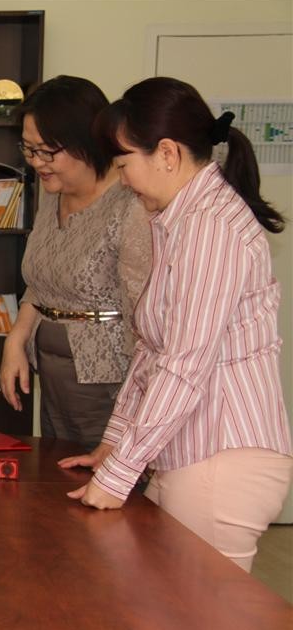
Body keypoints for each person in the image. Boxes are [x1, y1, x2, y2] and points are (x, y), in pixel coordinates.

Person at [60, 77, 292, 571]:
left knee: (205, 617)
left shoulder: (211, 228)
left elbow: (183, 364)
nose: (123, 180)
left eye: (124, 164)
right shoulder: (182, 220)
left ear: (167, 153)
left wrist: (118, 474)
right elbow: (153, 349)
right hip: (191, 454)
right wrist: (115, 444)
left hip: (220, 458)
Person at [0, 76, 152, 449]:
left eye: (46, 151)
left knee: (103, 475)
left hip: (109, 382)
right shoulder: (53, 192)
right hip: (52, 375)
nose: (36, 162)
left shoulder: (130, 205)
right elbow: (42, 280)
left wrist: (142, 404)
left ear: (86, 140)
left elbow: (144, 311)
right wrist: (16, 339)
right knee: (56, 472)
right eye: (28, 149)